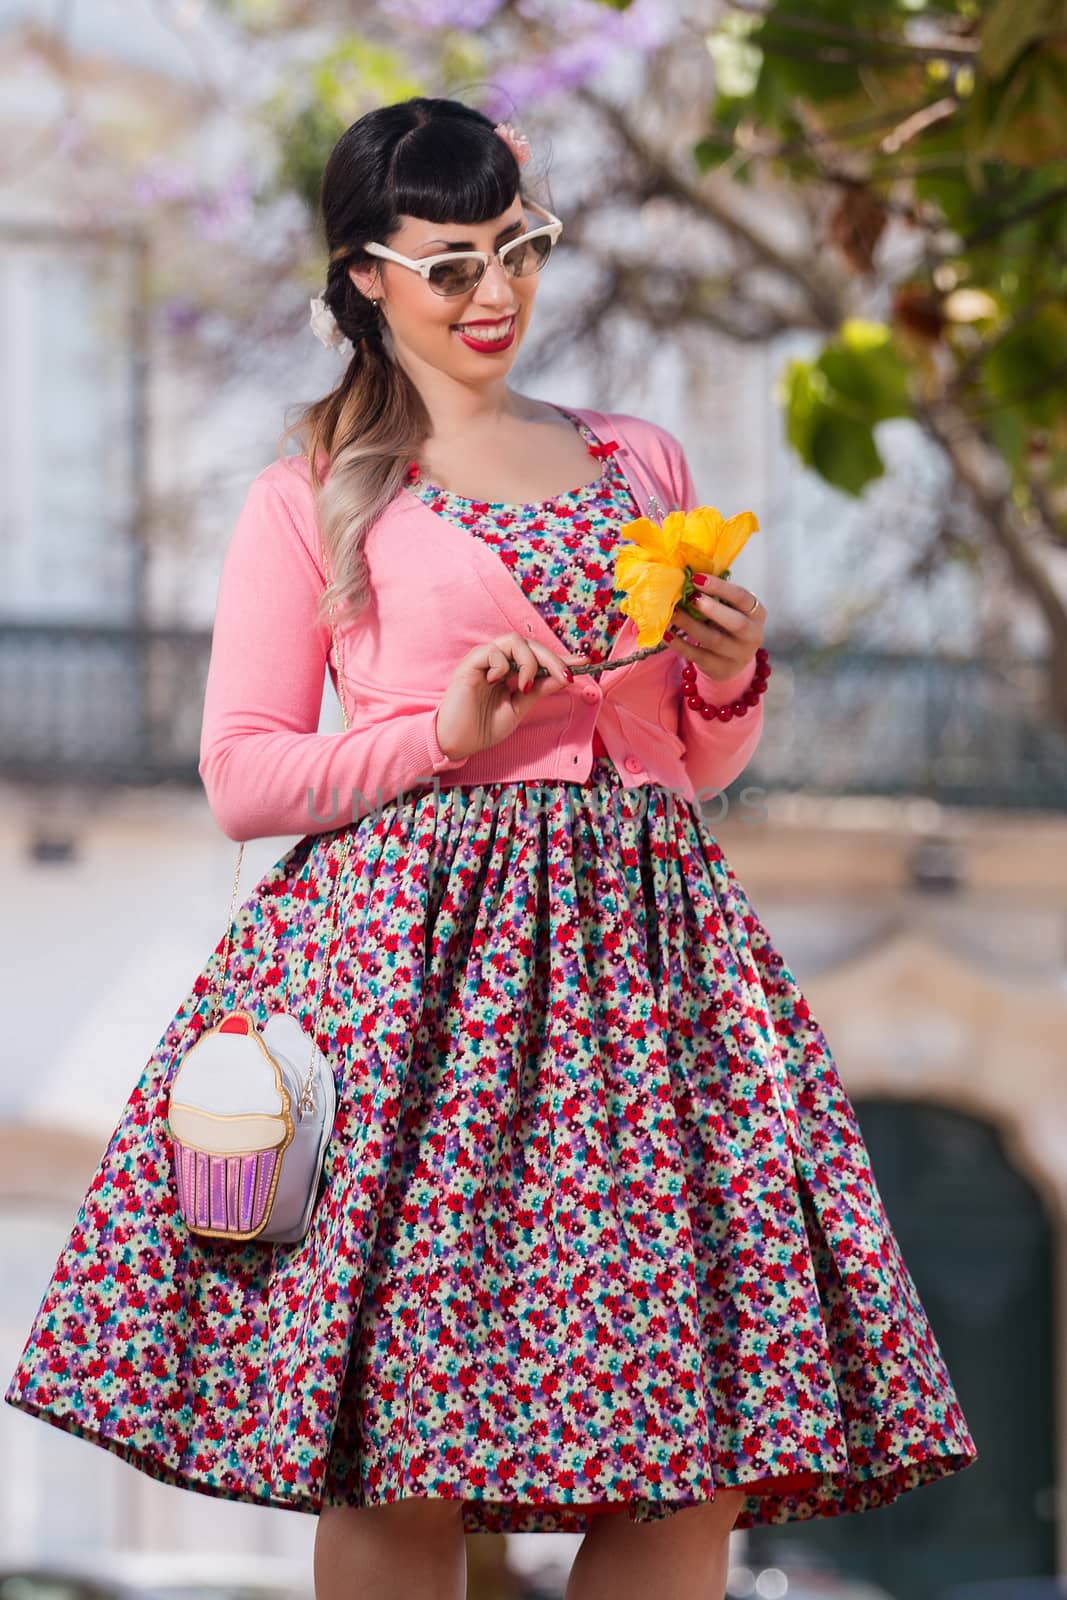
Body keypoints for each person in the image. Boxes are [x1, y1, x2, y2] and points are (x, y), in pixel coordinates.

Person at [5, 95, 977, 1600]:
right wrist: (436, 737)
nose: (496, 293)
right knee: (408, 1451)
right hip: (419, 986)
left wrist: (725, 669)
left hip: (653, 975)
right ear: (366, 277)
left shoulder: (638, 460)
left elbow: (692, 760)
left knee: (689, 1455)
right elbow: (244, 773)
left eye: (516, 249)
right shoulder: (316, 489)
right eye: (450, 263)